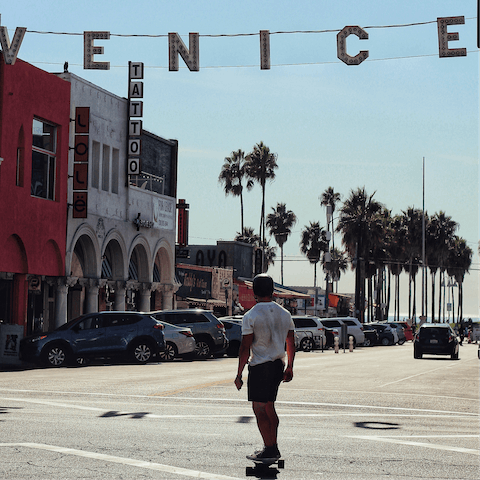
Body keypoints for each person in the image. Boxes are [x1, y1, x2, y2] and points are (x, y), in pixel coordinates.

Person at [234, 273, 295, 462]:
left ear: (254, 292)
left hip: (260, 367)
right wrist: (290, 366)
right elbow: (291, 342)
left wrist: (239, 373)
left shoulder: (250, 316)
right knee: (269, 406)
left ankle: (270, 448)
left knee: (259, 409)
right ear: (273, 291)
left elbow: (245, 347)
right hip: (278, 365)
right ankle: (273, 446)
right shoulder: (284, 314)